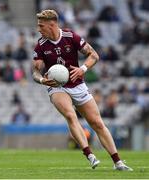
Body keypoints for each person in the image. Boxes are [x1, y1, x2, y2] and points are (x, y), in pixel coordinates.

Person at [32, 9, 133, 171]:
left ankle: (118, 162)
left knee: (97, 123)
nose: (38, 29)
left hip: (78, 84)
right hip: (57, 87)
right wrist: (43, 80)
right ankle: (89, 154)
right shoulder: (41, 45)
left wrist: (83, 69)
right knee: (71, 115)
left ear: (52, 24)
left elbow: (94, 55)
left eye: (41, 26)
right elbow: (35, 71)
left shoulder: (71, 37)